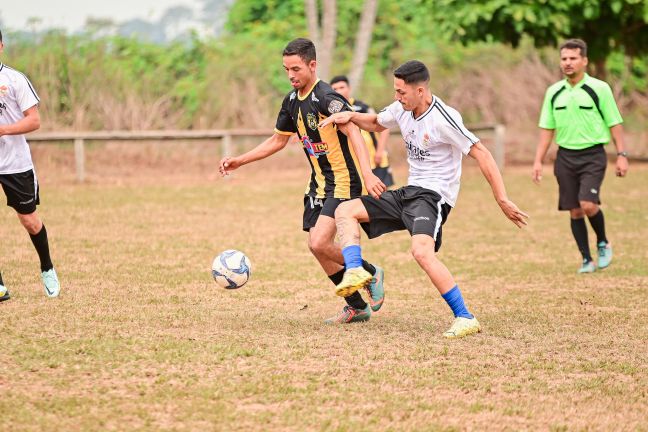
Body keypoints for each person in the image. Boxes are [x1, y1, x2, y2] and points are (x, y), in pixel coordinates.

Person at [319, 60, 528, 338]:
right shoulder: (402, 108)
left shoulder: (444, 117)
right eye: (395, 91)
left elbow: (482, 153)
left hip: (432, 197)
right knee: (345, 210)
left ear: (420, 90)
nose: (397, 97)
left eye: (401, 92)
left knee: (420, 252)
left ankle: (465, 317)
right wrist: (348, 116)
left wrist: (502, 198)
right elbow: (375, 123)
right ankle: (357, 270)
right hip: (409, 191)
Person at [218, 38, 387, 323]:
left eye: (295, 69)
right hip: (317, 184)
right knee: (316, 247)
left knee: (320, 242)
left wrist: (368, 173)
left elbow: (354, 133)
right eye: (286, 70)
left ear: (312, 65)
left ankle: (370, 272)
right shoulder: (291, 101)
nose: (291, 75)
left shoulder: (327, 97)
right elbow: (277, 140)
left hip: (343, 180)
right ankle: (356, 306)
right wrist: (240, 160)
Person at [533, 39, 628, 274]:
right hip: (564, 156)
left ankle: (603, 242)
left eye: (573, 58)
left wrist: (622, 155)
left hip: (593, 155)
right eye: (564, 58)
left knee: (588, 204)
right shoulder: (553, 92)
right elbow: (547, 129)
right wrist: (538, 160)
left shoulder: (599, 88)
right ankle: (587, 259)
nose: (568, 63)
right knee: (574, 209)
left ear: (584, 61)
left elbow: (615, 123)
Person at [0, 28, 60, 301]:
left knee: (29, 220)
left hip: (15, 164)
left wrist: (3, 130)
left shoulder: (14, 79)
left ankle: (47, 267)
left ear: (1, 46)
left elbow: (34, 121)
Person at [330, 75, 395, 188]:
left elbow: (385, 126)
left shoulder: (362, 107)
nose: (339, 91)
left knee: (383, 195)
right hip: (354, 163)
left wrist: (380, 151)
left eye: (342, 87)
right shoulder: (331, 111)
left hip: (375, 159)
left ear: (349, 88)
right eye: (335, 89)